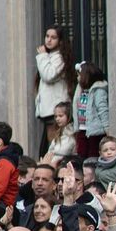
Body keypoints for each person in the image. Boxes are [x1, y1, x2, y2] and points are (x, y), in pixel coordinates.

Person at [34, 26, 76, 156]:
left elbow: (48, 75)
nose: (49, 40)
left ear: (60, 40)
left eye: (53, 37)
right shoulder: (50, 56)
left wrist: (42, 56)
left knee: (53, 146)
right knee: (48, 146)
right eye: (47, 36)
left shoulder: (59, 57)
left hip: (56, 108)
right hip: (48, 109)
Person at [74, 61, 109, 158]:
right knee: (81, 155)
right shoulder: (80, 89)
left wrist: (107, 129)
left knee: (93, 156)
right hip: (82, 129)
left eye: (79, 75)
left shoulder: (98, 90)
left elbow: (103, 110)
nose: (78, 78)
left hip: (95, 131)